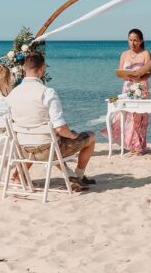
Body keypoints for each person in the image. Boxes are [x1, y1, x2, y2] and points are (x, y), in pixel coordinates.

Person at [6, 52, 96, 191]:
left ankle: (70, 175)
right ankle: (78, 175)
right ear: (42, 69)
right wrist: (73, 135)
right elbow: (60, 128)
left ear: (24, 69)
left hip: (23, 149)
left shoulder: (13, 93)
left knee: (47, 138)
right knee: (91, 136)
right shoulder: (47, 92)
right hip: (48, 150)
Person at [101, 28, 151, 155]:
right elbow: (120, 72)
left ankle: (139, 147)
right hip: (127, 87)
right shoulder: (124, 54)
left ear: (140, 41)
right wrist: (128, 76)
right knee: (126, 116)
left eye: (135, 40)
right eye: (130, 40)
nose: (133, 43)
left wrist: (139, 77)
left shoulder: (146, 53)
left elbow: (149, 73)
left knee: (139, 117)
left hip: (141, 87)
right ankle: (131, 145)